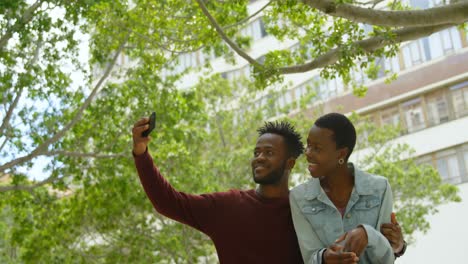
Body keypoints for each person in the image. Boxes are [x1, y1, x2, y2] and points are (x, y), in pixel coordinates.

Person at [132, 117, 305, 264]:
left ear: (289, 163)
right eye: (256, 152)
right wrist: (141, 152)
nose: (259, 158)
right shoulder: (229, 206)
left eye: (269, 152)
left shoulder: (305, 211)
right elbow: (168, 202)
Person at [289, 113, 406, 264]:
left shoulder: (379, 188)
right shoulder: (298, 197)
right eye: (308, 145)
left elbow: (387, 256)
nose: (307, 153)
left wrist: (367, 234)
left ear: (341, 153)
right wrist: (324, 258)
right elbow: (309, 257)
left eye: (317, 148)